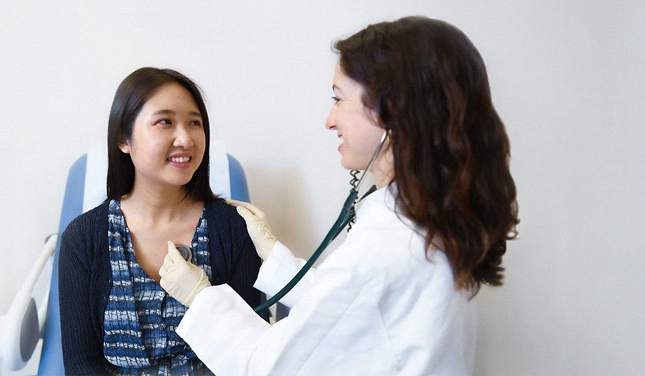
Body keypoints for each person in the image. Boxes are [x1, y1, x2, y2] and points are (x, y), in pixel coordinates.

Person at [158, 16, 519, 375]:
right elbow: (350, 316)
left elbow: (269, 369)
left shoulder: (384, 252)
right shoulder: (425, 225)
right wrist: (275, 258)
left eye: (339, 99)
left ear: (391, 111)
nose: (330, 120)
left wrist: (200, 299)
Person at [58, 67, 267, 375]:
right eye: (165, 122)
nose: (185, 138)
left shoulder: (234, 229)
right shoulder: (84, 238)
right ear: (124, 140)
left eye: (194, 123)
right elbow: (80, 364)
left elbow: (251, 352)